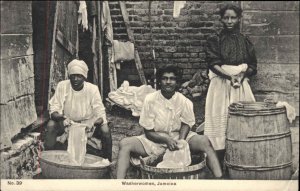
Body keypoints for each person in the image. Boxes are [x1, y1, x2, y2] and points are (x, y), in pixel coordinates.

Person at [116, 65, 223, 179]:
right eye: (164, 78)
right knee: (125, 144)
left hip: (179, 137)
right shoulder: (150, 100)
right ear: (160, 81)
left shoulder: (184, 101)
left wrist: (181, 141)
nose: (168, 82)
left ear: (177, 82)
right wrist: (166, 140)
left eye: (172, 79)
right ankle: (118, 184)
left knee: (205, 141)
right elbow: (148, 131)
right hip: (155, 139)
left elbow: (187, 123)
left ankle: (220, 179)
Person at [204, 3, 257, 167]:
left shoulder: (245, 41)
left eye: (233, 17)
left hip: (239, 85)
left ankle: (240, 160)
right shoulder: (215, 40)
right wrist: (229, 76)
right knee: (219, 119)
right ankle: (218, 161)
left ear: (239, 19)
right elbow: (213, 63)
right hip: (220, 84)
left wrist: (241, 76)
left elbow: (253, 65)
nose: (229, 21)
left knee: (241, 121)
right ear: (221, 19)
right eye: (226, 17)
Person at [44, 59, 112, 161]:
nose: (75, 79)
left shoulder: (92, 89)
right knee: (51, 125)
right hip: (67, 122)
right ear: (69, 76)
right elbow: (54, 110)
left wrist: (92, 123)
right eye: (73, 76)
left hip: (87, 124)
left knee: (105, 130)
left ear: (84, 77)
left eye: (79, 76)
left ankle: (107, 160)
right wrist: (62, 118)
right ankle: (48, 157)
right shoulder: (62, 86)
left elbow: (101, 116)